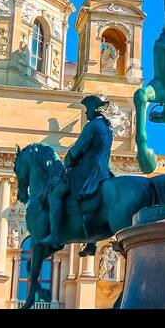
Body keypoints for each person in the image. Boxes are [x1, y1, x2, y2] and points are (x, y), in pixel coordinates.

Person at [46, 95, 115, 250]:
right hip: (104, 169)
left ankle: (55, 235)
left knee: (56, 194)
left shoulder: (93, 126)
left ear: (94, 110)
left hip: (88, 170)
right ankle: (91, 240)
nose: (85, 114)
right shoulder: (107, 127)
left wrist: (69, 160)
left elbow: (79, 148)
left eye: (87, 110)